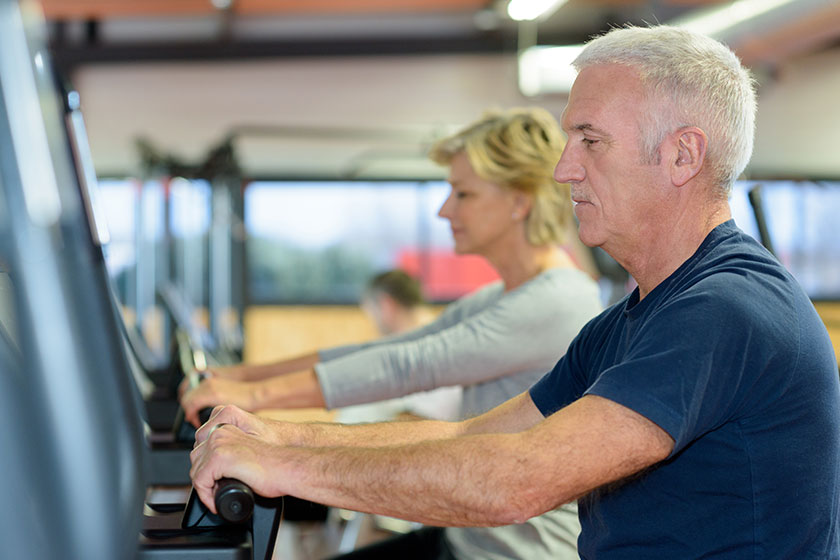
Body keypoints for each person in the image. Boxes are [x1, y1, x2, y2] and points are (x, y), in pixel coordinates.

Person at [192, 24, 840, 553]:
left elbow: (517, 481)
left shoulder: (725, 310)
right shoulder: (627, 322)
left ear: (682, 155)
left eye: (590, 141)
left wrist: (286, 469)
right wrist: (279, 437)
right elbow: (473, 439)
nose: (564, 169)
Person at [184, 107, 604, 558]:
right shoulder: (502, 295)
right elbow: (390, 346)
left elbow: (410, 365)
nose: (445, 209)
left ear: (519, 201)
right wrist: (241, 379)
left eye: (463, 193)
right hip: (469, 539)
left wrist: (257, 401)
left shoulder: (557, 299)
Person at [341, 269, 462, 424]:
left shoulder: (433, 347)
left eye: (370, 312)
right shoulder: (436, 338)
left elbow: (424, 421)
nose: (371, 321)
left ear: (386, 305)